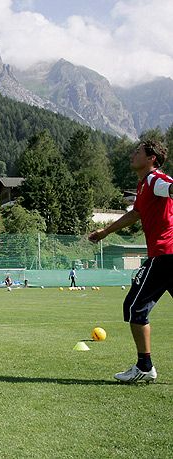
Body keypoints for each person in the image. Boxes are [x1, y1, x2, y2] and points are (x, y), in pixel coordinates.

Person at [88, 139, 172, 383]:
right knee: (136, 309)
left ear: (151, 158)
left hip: (165, 256)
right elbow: (135, 214)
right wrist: (104, 232)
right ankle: (144, 366)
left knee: (135, 308)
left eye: (138, 152)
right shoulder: (144, 185)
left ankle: (144, 366)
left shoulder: (156, 180)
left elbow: (170, 187)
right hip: (166, 255)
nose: (132, 155)